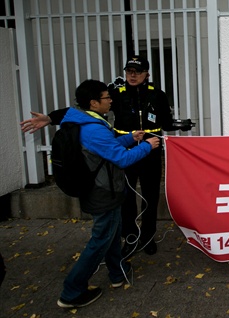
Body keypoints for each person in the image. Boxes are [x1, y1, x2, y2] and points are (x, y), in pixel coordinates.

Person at [20, 56, 191, 257]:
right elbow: (81, 110)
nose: (132, 75)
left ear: (147, 74)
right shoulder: (115, 93)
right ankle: (130, 236)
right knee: (125, 196)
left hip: (151, 150)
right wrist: (50, 118)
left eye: (137, 71)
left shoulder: (158, 95)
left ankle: (147, 237)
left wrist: (181, 126)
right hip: (122, 148)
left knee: (150, 196)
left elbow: (166, 122)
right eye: (129, 71)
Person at [55, 79, 160, 308]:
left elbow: (108, 145)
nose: (111, 100)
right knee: (100, 240)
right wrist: (146, 146)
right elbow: (121, 158)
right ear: (94, 102)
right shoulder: (93, 129)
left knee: (112, 234)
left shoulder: (87, 122)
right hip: (103, 192)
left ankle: (117, 272)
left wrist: (130, 137)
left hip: (101, 189)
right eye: (106, 97)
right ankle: (71, 291)